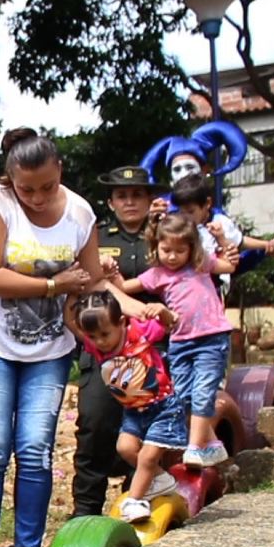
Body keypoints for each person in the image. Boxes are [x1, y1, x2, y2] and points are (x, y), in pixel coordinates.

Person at [0, 128, 104, 547]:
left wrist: (82, 305)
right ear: (10, 178)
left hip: (51, 351)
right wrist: (52, 284)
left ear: (60, 170)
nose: (38, 197)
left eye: (47, 186)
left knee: (34, 450)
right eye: (27, 189)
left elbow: (92, 279)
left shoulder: (80, 214)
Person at [71, 166, 168, 518]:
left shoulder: (165, 232)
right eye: (122, 196)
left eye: (137, 195)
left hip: (153, 351)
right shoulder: (95, 237)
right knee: (95, 425)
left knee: (149, 428)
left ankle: (141, 501)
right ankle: (86, 512)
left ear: (148, 199)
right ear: (111, 202)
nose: (129, 201)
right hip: (102, 350)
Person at [111, 214, 237, 468]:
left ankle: (194, 447)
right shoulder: (157, 274)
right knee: (182, 397)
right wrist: (110, 271)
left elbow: (229, 266)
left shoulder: (201, 265)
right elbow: (124, 287)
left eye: (180, 250)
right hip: (180, 342)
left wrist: (221, 238)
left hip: (211, 339)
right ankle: (212, 446)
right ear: (156, 246)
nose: (172, 256)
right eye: (166, 250)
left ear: (191, 249)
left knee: (202, 393)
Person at [65, 291, 184, 522]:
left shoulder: (140, 332)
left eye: (104, 334)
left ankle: (135, 500)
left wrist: (163, 311)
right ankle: (160, 479)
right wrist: (71, 292)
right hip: (134, 412)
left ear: (121, 322)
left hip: (162, 408)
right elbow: (71, 321)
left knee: (147, 457)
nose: (100, 341)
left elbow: (171, 324)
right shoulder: (96, 347)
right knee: (126, 449)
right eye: (93, 336)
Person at [168, 173, 274, 260]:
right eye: (181, 212)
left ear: (207, 204)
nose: (186, 217)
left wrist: (268, 244)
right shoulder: (177, 224)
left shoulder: (219, 222)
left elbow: (239, 241)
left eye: (190, 212)